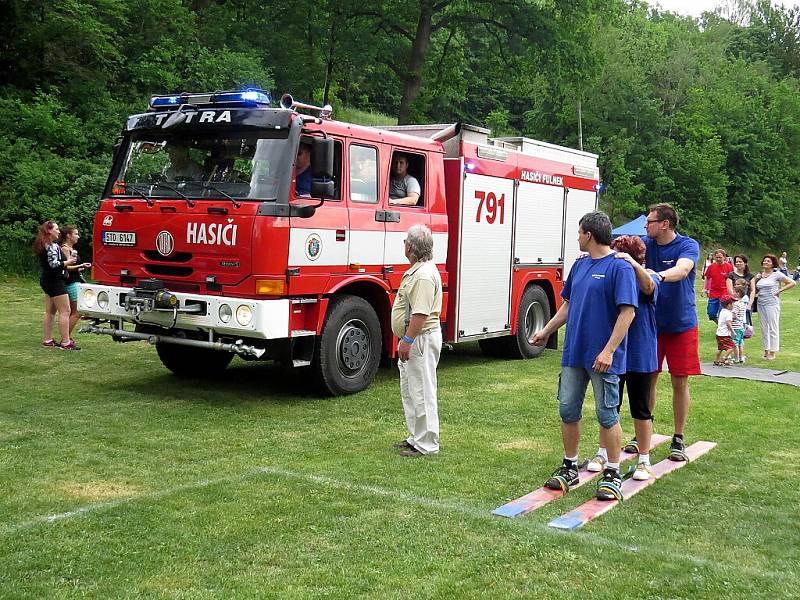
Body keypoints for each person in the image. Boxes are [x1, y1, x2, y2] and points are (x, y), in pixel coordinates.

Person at [532, 211, 638, 501]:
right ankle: (569, 467)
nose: (577, 238)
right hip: (574, 354)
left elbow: (627, 312)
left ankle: (613, 473)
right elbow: (568, 305)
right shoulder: (579, 266)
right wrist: (546, 329)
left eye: (579, 233)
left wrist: (608, 350)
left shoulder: (620, 267)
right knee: (568, 410)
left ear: (589, 235)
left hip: (603, 357)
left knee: (607, 415)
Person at [586, 235, 659, 481]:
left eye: (618, 252)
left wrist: (634, 265)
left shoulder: (648, 274)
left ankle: (644, 460)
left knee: (641, 408)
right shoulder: (613, 275)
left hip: (640, 353)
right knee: (609, 407)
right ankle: (602, 453)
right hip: (617, 354)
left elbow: (649, 286)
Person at [643, 203, 700, 462]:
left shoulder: (688, 245)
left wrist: (658, 276)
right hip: (652, 325)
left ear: (665, 224)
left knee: (679, 381)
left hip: (681, 324)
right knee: (648, 378)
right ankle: (644, 432)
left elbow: (683, 269)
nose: (646, 226)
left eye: (650, 221)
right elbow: (618, 252)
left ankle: (678, 438)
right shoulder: (647, 244)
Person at [390, 224, 443, 457]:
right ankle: (416, 437)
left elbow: (420, 313)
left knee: (422, 390)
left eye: (405, 242)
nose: (404, 245)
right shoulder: (420, 270)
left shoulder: (422, 275)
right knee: (411, 390)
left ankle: (427, 444)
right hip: (416, 339)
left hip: (421, 339)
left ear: (410, 247)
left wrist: (408, 339)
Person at [33, 221, 78, 350]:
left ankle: (47, 339)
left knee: (50, 311)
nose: (59, 232)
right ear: (49, 231)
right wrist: (67, 262)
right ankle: (65, 342)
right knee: (66, 311)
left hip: (46, 280)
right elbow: (54, 265)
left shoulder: (43, 244)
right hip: (55, 281)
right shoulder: (52, 246)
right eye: (56, 229)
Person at [749, 254, 796, 360]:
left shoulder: (777, 274)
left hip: (772, 304)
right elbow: (752, 286)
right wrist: (756, 280)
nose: (766, 262)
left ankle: (773, 352)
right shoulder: (760, 275)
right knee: (764, 327)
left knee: (773, 328)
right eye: (764, 261)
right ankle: (766, 351)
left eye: (768, 261)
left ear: (773, 264)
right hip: (761, 303)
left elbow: (792, 283)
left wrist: (779, 290)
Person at [60, 226, 91, 344]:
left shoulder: (72, 249)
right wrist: (80, 266)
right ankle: (65, 338)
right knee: (76, 312)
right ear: (68, 235)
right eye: (76, 234)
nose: (78, 236)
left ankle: (66, 337)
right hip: (71, 283)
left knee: (75, 311)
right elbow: (66, 266)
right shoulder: (65, 249)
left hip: (75, 281)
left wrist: (81, 266)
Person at [704, 249, 733, 321]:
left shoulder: (729, 266)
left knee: (722, 312)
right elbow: (707, 278)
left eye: (720, 257)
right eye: (717, 257)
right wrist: (705, 288)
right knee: (711, 313)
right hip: (713, 292)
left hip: (724, 292)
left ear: (724, 257)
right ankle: (719, 324)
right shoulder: (711, 267)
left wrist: (732, 291)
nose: (718, 259)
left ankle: (721, 327)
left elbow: (732, 279)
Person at [714, 294, 736, 366]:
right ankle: (724, 358)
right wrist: (733, 332)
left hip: (719, 333)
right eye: (733, 303)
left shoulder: (722, 311)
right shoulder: (729, 313)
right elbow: (728, 323)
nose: (734, 305)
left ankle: (716, 360)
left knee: (720, 348)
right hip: (725, 334)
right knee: (732, 347)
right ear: (729, 305)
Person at [731, 281, 749, 364]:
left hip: (735, 327)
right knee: (741, 342)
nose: (733, 293)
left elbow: (734, 315)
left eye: (734, 292)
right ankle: (742, 357)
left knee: (735, 343)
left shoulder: (736, 304)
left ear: (738, 293)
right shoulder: (742, 303)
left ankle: (736, 358)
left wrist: (729, 318)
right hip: (741, 326)